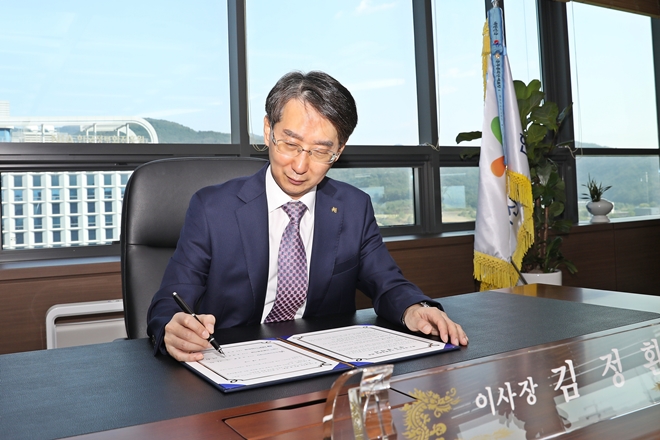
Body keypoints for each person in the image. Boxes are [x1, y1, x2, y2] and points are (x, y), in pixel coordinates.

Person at [147, 70, 468, 361]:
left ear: (339, 151)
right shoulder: (212, 208)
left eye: (320, 151)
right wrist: (172, 328)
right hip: (232, 361)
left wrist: (414, 308)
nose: (300, 166)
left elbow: (388, 283)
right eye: (290, 144)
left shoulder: (354, 208)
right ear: (268, 130)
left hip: (320, 364)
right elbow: (170, 300)